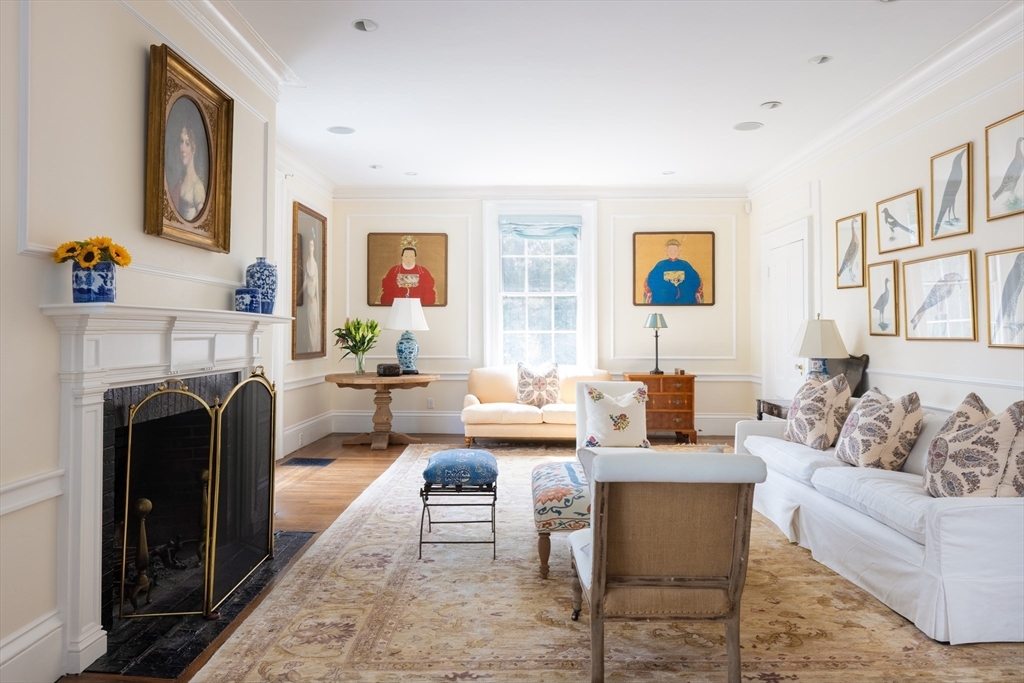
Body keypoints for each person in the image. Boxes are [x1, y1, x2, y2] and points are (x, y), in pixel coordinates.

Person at [644, 238, 703, 304]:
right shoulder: (660, 264)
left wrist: (680, 288)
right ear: (666, 252)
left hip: (683, 293)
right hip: (665, 293)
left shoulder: (685, 264)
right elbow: (653, 280)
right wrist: (669, 288)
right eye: (670, 251)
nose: (673, 253)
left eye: (675, 251)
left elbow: (694, 279)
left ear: (679, 252)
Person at [170, 123, 206, 221]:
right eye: (181, 142)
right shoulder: (180, 181)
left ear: (193, 148)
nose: (182, 149)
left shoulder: (197, 186)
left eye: (187, 143)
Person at [303, 234, 321, 351]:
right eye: (309, 245)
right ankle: (311, 348)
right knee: (310, 326)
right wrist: (298, 294)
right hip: (308, 301)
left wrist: (319, 308)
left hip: (314, 300)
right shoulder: (306, 263)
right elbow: (305, 282)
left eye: (312, 245)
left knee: (315, 325)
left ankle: (314, 348)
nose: (311, 247)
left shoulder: (315, 264)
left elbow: (318, 287)